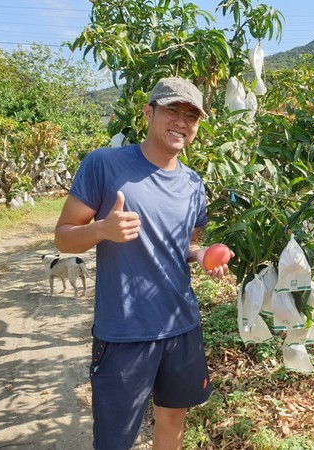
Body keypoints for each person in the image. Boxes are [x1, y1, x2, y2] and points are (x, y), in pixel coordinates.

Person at [54, 76, 233, 450]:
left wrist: (200, 255)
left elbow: (183, 245)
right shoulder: (104, 164)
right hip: (124, 332)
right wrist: (103, 229)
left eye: (191, 115)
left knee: (172, 419)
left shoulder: (193, 184)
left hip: (181, 325)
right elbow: (64, 236)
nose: (181, 122)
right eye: (172, 110)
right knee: (116, 438)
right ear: (148, 113)